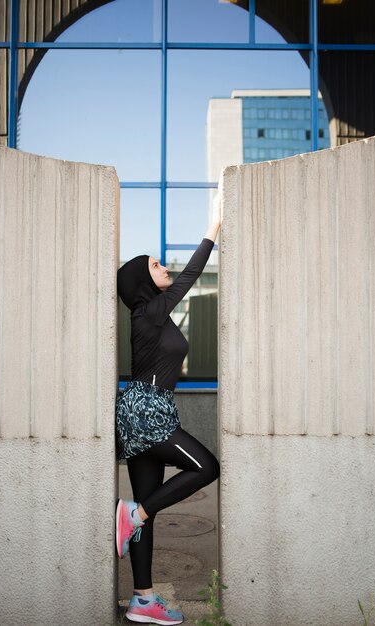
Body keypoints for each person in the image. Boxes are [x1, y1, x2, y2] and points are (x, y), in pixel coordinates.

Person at [115, 192, 222, 625]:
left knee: (146, 505)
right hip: (146, 410)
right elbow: (190, 276)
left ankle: (143, 600)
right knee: (207, 467)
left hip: (145, 407)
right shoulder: (150, 310)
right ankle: (133, 513)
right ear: (143, 282)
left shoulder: (152, 315)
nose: (165, 268)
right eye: (155, 266)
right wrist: (212, 229)